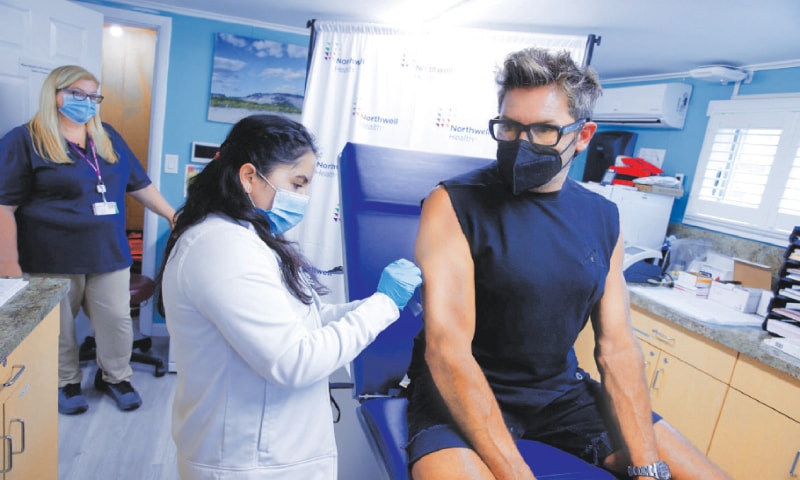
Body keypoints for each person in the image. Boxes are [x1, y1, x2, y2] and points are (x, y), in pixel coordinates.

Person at [404, 48, 732, 480]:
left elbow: (616, 347)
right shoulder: (452, 204)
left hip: (559, 396)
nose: (521, 144)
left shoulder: (602, 217)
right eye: (509, 127)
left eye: (542, 130)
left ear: (582, 135)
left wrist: (649, 467)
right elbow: (448, 352)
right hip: (457, 394)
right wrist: (518, 474)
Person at [158, 114, 422, 480]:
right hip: (247, 462)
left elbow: (301, 322)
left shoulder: (246, 239)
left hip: (268, 452)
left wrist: (375, 304)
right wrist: (383, 304)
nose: (302, 198)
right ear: (249, 176)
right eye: (297, 184)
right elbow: (295, 360)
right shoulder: (223, 248)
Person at [0, 65, 176, 415]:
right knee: (60, 331)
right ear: (55, 94)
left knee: (117, 323)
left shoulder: (106, 136)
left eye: (93, 96)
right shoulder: (24, 140)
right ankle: (66, 382)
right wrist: (8, 263)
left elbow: (140, 185)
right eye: (77, 93)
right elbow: (4, 205)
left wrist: (173, 215)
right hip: (50, 258)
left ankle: (115, 377)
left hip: (108, 254)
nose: (87, 102)